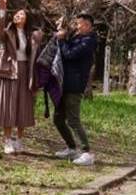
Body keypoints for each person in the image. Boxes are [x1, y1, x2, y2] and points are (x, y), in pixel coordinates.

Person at [0, 0, 43, 155]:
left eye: (22, 15)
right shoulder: (7, 32)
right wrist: (2, 11)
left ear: (27, 19)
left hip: (26, 71)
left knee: (24, 106)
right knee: (8, 105)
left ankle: (19, 140)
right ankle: (7, 140)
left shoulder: (31, 36)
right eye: (16, 14)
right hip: (9, 70)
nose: (18, 16)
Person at [53, 13, 98, 166]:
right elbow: (65, 37)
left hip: (74, 86)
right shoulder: (77, 38)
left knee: (73, 120)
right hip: (63, 84)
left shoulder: (89, 42)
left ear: (87, 25)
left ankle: (86, 152)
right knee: (58, 119)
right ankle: (71, 147)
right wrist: (62, 28)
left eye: (79, 24)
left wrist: (61, 40)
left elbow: (69, 54)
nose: (77, 26)